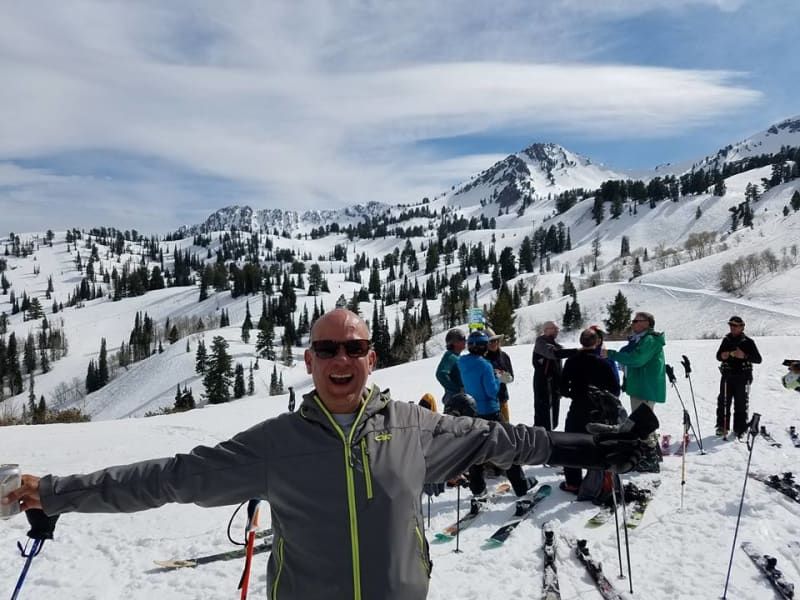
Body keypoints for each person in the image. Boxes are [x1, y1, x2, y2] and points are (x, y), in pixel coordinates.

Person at [3, 309, 655, 600]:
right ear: (309, 361)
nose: (341, 360)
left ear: (373, 357)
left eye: (354, 348)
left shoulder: (414, 428)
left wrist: (598, 444)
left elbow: (507, 440)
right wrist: (54, 491)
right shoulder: (274, 446)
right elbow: (170, 478)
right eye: (327, 350)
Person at [458, 330, 534, 498]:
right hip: (490, 411)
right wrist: (496, 378)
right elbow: (491, 392)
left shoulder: (462, 361)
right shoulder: (486, 365)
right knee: (509, 446)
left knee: (475, 451)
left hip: (473, 412)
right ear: (484, 347)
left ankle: (478, 489)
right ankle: (521, 487)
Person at [602, 311, 665, 473]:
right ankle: (652, 453)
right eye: (633, 320)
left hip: (645, 387)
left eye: (637, 320)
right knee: (643, 421)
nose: (633, 323)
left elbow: (637, 359)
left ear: (647, 323)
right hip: (639, 386)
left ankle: (650, 459)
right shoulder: (640, 340)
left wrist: (611, 354)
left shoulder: (650, 340)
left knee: (643, 422)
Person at [560, 328, 621, 493]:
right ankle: (598, 480)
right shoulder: (604, 363)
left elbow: (563, 388)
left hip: (578, 407)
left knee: (571, 443)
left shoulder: (572, 361)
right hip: (598, 410)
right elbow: (615, 390)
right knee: (597, 444)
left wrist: (574, 393)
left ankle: (573, 482)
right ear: (597, 342)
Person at [715, 316, 762, 438]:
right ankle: (722, 426)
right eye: (731, 325)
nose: (732, 328)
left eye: (735, 326)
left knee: (741, 403)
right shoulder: (726, 340)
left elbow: (758, 359)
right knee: (723, 401)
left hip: (743, 376)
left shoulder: (748, 342)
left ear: (742, 327)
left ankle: (740, 428)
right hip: (727, 375)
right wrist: (722, 356)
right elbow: (718, 356)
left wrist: (745, 356)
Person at [532, 321, 574, 430]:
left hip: (554, 387)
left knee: (553, 419)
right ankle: (539, 442)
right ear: (545, 330)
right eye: (554, 328)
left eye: (557, 329)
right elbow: (554, 354)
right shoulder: (541, 343)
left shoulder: (556, 345)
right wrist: (576, 351)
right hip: (544, 386)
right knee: (543, 419)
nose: (557, 331)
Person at [484, 327, 514, 422]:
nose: (494, 343)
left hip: (501, 398)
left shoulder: (504, 356)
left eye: (495, 340)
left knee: (506, 428)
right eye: (491, 341)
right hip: (487, 401)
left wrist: (497, 374)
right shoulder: (481, 358)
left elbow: (511, 377)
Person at [436, 327, 465, 411]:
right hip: (454, 399)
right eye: (461, 339)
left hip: (459, 398)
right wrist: (456, 389)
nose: (464, 341)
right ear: (454, 342)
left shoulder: (456, 356)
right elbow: (441, 374)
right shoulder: (450, 356)